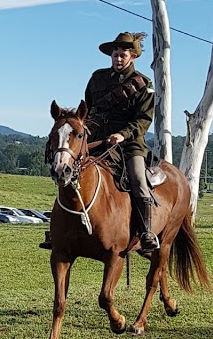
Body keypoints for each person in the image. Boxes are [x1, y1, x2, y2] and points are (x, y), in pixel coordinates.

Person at [42, 30, 159, 254]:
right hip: (96, 141)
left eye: (123, 55)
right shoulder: (97, 78)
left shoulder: (145, 85)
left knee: (138, 180)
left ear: (133, 56)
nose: (118, 58)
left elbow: (144, 120)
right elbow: (87, 111)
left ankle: (146, 233)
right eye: (115, 54)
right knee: (68, 173)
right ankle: (58, 232)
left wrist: (123, 134)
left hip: (128, 144)